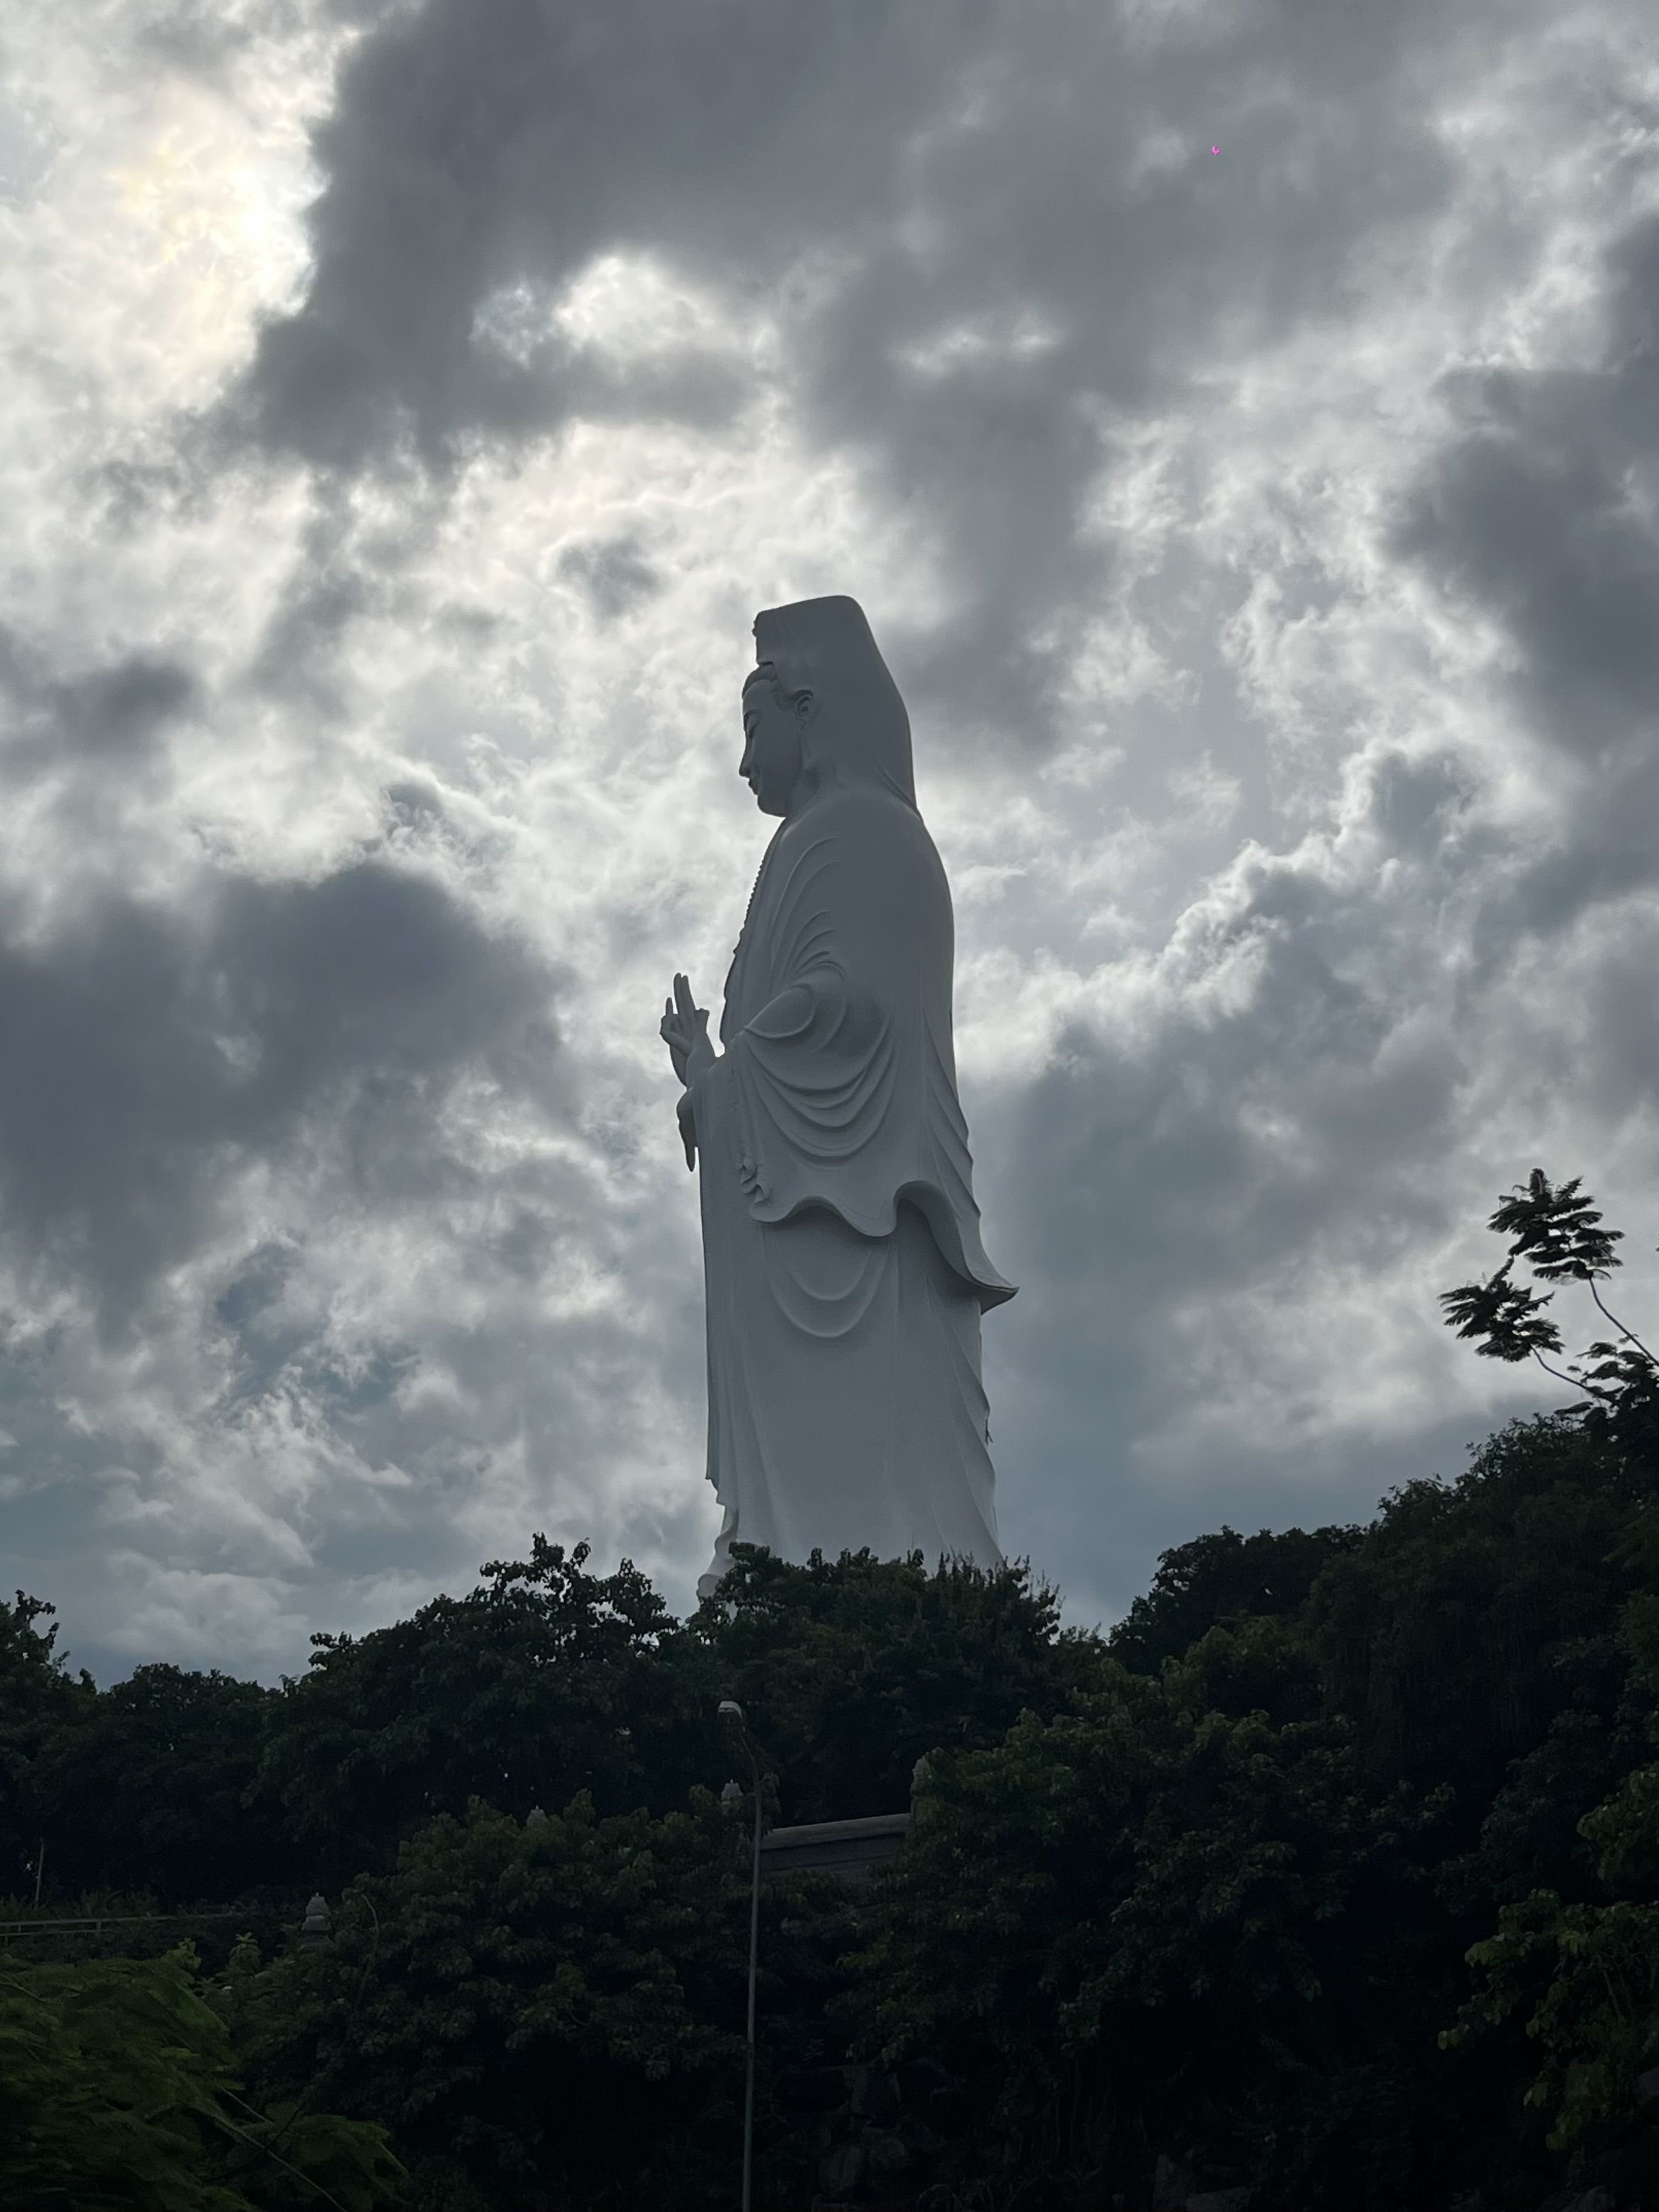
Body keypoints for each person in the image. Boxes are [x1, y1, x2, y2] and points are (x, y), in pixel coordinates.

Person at [662, 595, 1015, 1600]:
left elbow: (852, 1007)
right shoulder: (812, 843)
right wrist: (712, 1075)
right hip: (794, 1198)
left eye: (751, 729)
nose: (741, 765)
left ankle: (871, 1599)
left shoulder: (862, 831)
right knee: (801, 1489)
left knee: (871, 1472)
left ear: (808, 709)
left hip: (854, 1203)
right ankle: (791, 1581)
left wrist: (731, 1078)